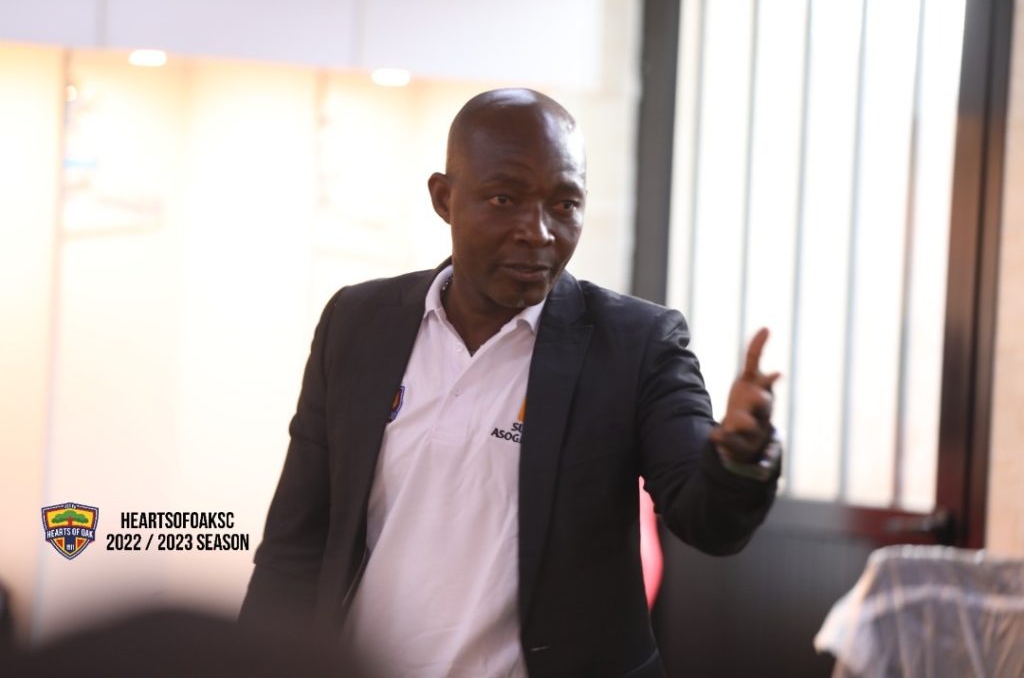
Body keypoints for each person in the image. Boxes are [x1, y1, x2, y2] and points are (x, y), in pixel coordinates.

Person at [240, 88, 782, 677]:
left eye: (564, 204)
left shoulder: (635, 344)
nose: (538, 231)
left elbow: (707, 519)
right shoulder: (358, 323)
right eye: (505, 198)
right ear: (444, 199)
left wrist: (738, 458)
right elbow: (296, 543)